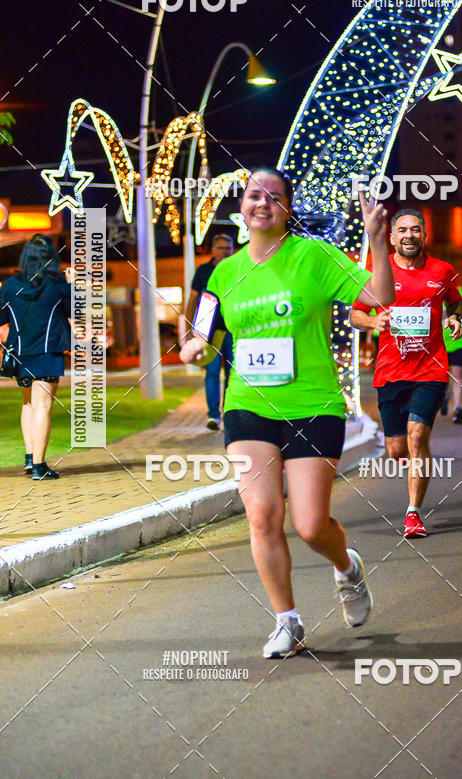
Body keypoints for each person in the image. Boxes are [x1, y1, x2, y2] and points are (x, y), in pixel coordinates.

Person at [180, 167, 394, 658]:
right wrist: (193, 347)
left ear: (287, 208)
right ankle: (288, 621)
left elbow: (380, 298)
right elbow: (204, 334)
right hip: (248, 405)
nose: (263, 203)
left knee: (311, 525)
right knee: (262, 515)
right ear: (242, 207)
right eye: (254, 195)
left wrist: (378, 242)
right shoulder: (224, 273)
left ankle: (347, 568)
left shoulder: (314, 256)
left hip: (312, 404)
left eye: (273, 197)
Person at [350, 209, 462, 539]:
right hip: (390, 371)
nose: (409, 235)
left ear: (424, 236)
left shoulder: (443, 270)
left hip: (431, 368)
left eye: (415, 230)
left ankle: (413, 513)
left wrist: (454, 318)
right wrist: (374, 321)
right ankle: (410, 460)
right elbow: (355, 314)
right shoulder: (378, 272)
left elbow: (455, 304)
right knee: (396, 449)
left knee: (417, 437)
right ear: (391, 237)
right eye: (402, 230)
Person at [0, 234, 71, 479]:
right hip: (47, 353)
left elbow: (2, 319)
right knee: (43, 405)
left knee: (28, 403)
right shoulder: (58, 285)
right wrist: (72, 284)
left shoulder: (10, 285)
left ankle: (30, 458)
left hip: (20, 353)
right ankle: (40, 467)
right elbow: (77, 311)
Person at [184, 234, 234, 430]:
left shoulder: (236, 269)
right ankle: (213, 415)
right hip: (208, 330)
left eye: (228, 248)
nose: (225, 252)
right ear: (213, 250)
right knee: (212, 372)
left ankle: (229, 413)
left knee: (232, 373)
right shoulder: (203, 271)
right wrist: (189, 329)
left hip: (232, 329)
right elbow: (193, 299)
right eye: (221, 248)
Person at [441, 286, 462, 422]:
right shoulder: (434, 291)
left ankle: (457, 407)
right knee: (442, 377)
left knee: (457, 376)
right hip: (440, 343)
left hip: (459, 341)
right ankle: (443, 398)